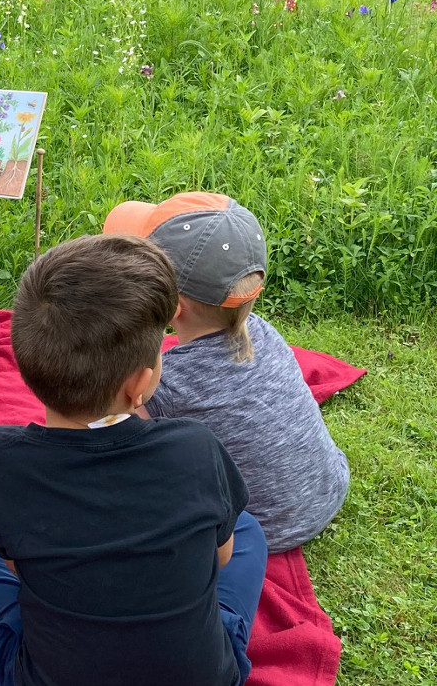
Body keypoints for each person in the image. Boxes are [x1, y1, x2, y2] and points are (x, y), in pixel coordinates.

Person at [0, 234, 268, 686]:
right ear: (140, 384)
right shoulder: (195, 448)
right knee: (245, 527)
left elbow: (17, 566)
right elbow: (223, 557)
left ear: (25, 365)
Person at [103, 191, 349, 553]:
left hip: (254, 528)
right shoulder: (265, 332)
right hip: (326, 490)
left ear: (172, 308)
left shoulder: (166, 384)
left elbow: (118, 439)